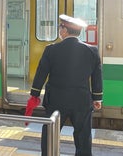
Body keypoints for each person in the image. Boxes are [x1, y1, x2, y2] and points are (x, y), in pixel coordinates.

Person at [29, 14, 103, 156]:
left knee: (50, 134)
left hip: (56, 101)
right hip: (82, 101)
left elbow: (41, 74)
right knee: (83, 137)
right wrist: (97, 98)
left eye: (60, 27)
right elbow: (97, 76)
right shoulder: (92, 51)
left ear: (64, 30)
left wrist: (34, 95)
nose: (59, 30)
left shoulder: (51, 50)